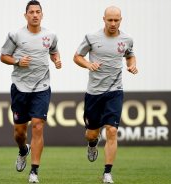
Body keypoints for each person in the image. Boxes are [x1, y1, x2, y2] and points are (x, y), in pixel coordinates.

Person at [73, 6, 138, 183]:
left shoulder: (127, 39)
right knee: (91, 134)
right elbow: (77, 56)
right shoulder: (92, 38)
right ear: (104, 19)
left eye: (116, 20)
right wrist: (88, 64)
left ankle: (107, 173)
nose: (113, 23)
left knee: (112, 130)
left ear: (121, 20)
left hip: (115, 91)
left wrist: (131, 65)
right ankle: (93, 144)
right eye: (110, 20)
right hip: (94, 93)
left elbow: (130, 55)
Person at [0, 0, 62, 183]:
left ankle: (34, 171)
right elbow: (3, 56)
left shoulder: (50, 35)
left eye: (38, 12)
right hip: (20, 87)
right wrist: (17, 62)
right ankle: (22, 150)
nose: (35, 15)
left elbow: (54, 52)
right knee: (20, 133)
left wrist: (57, 60)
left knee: (37, 125)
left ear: (42, 15)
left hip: (42, 87)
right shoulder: (15, 35)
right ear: (25, 15)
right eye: (31, 12)